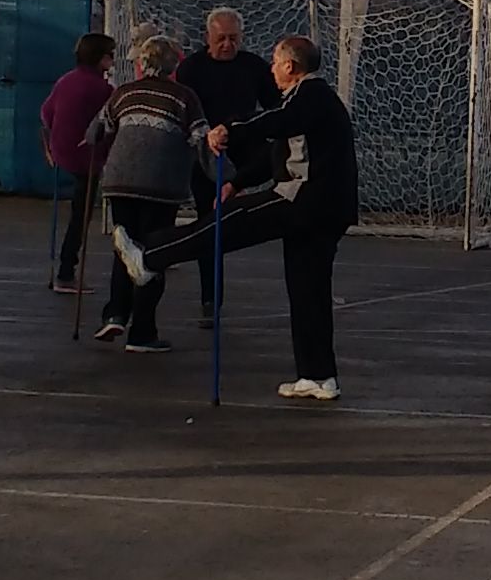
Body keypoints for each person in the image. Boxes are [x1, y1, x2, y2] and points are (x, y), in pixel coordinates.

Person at [124, 35, 359, 399]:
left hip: (306, 200)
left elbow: (274, 122)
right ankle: (318, 375)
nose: (271, 69)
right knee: (308, 291)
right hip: (325, 208)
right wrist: (238, 181)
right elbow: (276, 153)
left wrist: (230, 131)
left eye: (275, 62)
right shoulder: (307, 102)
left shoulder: (309, 95)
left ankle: (150, 256)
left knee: (229, 223)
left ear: (290, 66)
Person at [88, 37, 198, 351]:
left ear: (141, 63)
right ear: (173, 66)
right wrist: (226, 175)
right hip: (161, 186)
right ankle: (143, 332)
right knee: (153, 253)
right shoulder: (184, 97)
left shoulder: (124, 92)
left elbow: (97, 130)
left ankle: (115, 314)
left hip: (120, 181)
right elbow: (200, 136)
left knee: (126, 247)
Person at [178, 9, 275, 321]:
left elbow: (274, 108)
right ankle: (211, 298)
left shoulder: (254, 66)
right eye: (221, 39)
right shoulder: (191, 68)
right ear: (208, 37)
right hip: (205, 157)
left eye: (233, 39)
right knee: (209, 226)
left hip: (246, 156)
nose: (227, 45)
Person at [40, 33, 118, 296]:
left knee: (77, 212)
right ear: (100, 58)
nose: (112, 60)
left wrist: (54, 142)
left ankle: (62, 270)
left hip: (62, 152)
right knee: (80, 217)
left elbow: (46, 113)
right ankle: (65, 273)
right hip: (87, 157)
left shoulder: (66, 80)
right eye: (109, 55)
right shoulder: (102, 90)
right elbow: (111, 125)